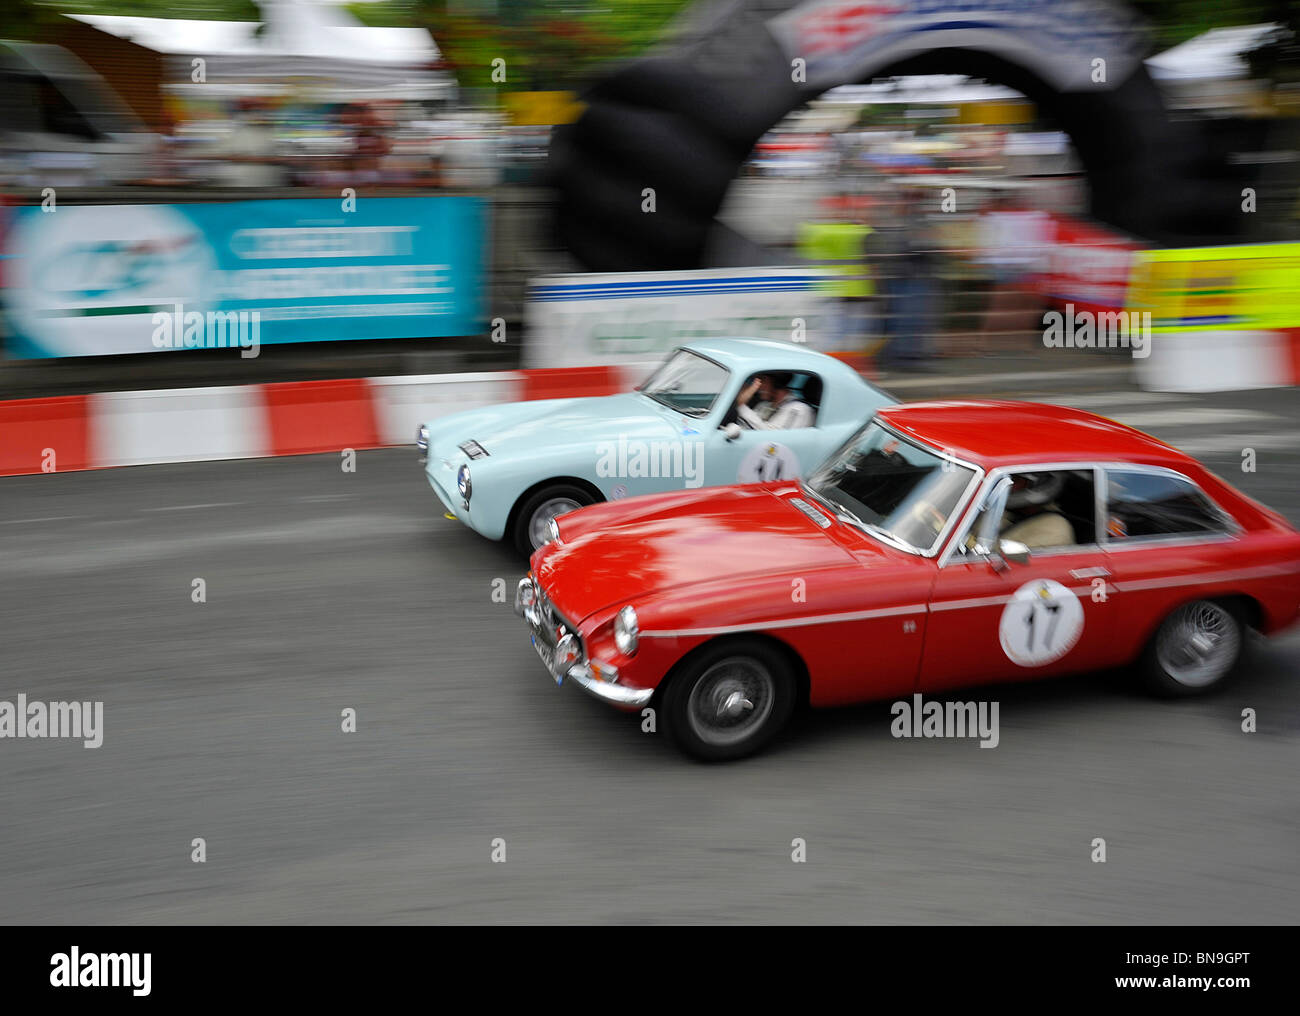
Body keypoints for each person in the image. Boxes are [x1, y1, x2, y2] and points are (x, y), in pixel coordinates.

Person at [733, 373, 814, 430]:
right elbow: (745, 428)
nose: (757, 387)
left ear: (777, 383)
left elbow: (770, 439)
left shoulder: (798, 409)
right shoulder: (764, 405)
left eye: (762, 381)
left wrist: (741, 405)